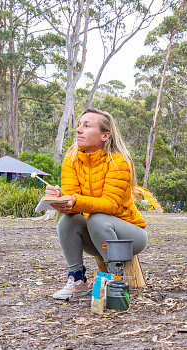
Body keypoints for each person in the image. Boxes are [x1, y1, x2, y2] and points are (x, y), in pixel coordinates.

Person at [46, 108, 148, 300]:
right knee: (68, 221)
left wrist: (76, 200)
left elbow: (111, 205)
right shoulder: (72, 158)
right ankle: (76, 280)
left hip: (130, 237)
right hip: (96, 236)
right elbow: (72, 199)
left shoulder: (118, 161)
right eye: (78, 125)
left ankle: (114, 280)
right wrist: (60, 198)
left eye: (87, 126)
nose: (78, 130)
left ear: (105, 135)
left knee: (98, 218)